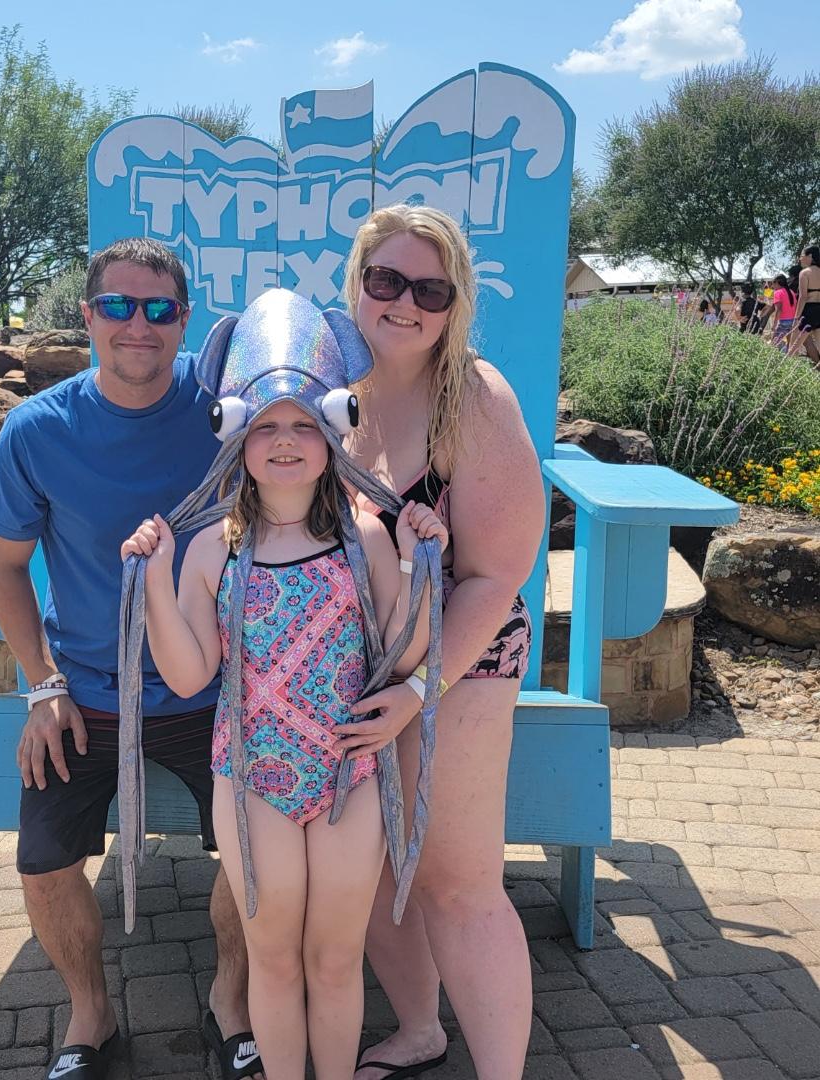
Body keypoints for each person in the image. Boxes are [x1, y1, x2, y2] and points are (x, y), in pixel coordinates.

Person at [121, 295, 448, 1080]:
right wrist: (157, 581)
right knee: (271, 957)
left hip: (348, 774)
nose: (286, 441)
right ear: (237, 437)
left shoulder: (364, 538)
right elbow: (189, 674)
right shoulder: (212, 549)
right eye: (266, 426)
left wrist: (418, 564)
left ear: (333, 434)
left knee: (334, 959)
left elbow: (404, 654)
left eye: (303, 424)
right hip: (253, 779)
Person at [0, 237, 262, 1080]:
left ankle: (232, 1002)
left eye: (158, 308)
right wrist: (42, 687)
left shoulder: (226, 417)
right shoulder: (37, 430)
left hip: (210, 688)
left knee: (259, 846)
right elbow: (4, 566)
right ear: (88, 315)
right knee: (43, 864)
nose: (138, 324)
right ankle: (91, 1015)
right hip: (86, 694)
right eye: (117, 306)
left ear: (185, 319)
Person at [337, 203, 545, 1080]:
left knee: (455, 879)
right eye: (387, 280)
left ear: (455, 303)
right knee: (374, 868)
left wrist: (420, 692)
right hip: (352, 657)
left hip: (463, 654)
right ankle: (420, 1031)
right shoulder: (328, 384)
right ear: (356, 282)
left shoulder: (475, 397)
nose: (405, 303)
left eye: (431, 289)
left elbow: (497, 576)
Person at [793, 245, 820, 367]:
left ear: (810, 256)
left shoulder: (804, 273)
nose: (800, 258)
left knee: (793, 348)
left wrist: (796, 317)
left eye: (802, 255)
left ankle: (784, 374)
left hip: (808, 311)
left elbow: (803, 297)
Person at [768, 274, 798, 352]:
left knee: (774, 343)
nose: (772, 286)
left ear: (777, 282)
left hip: (783, 321)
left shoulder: (777, 293)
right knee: (790, 344)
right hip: (793, 321)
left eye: (773, 283)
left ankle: (774, 358)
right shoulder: (791, 292)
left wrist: (774, 325)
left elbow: (778, 310)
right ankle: (789, 357)